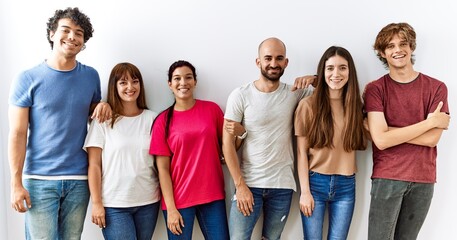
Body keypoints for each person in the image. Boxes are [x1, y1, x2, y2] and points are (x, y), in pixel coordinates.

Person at [8, 7, 111, 239]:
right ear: (52, 34)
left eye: (79, 33)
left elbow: (91, 111)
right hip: (39, 180)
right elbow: (17, 133)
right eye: (66, 30)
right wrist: (16, 183)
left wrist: (102, 105)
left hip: (79, 179)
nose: (72, 37)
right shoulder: (27, 78)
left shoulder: (91, 76)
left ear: (83, 43)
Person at [363, 22, 450, 239]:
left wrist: (387, 132)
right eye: (390, 46)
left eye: (403, 44)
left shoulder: (437, 87)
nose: (398, 50)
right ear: (382, 53)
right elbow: (381, 141)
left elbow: (432, 139)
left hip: (424, 179)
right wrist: (429, 122)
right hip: (387, 177)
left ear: (411, 47)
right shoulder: (375, 89)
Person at [222, 37, 314, 240]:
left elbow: (331, 87)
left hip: (282, 185)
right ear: (258, 62)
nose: (274, 64)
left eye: (279, 58)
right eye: (268, 58)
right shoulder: (240, 95)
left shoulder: (294, 93)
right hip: (249, 184)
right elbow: (227, 145)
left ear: (286, 63)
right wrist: (240, 185)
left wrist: (314, 78)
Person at [150, 60, 243, 240]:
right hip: (179, 200)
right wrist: (170, 208)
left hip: (213, 196)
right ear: (170, 84)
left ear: (195, 81)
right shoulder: (162, 120)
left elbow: (228, 148)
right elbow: (162, 170)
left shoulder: (212, 110)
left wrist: (242, 135)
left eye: (188, 77)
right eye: (177, 78)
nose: (183, 83)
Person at [294, 46, 367, 239]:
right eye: (330, 68)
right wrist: (305, 192)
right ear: (322, 72)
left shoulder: (356, 107)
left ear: (350, 72)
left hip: (346, 185)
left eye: (342, 68)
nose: (336, 73)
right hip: (315, 183)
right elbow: (301, 153)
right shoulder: (307, 105)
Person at [84, 63, 160, 239]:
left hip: (148, 202)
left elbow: (162, 161)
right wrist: (96, 203)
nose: (130, 87)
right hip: (114, 204)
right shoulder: (103, 120)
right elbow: (94, 165)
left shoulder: (152, 119)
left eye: (135, 81)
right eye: (123, 82)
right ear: (114, 86)